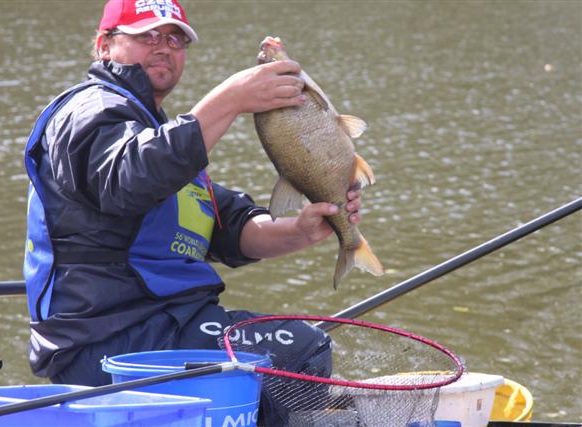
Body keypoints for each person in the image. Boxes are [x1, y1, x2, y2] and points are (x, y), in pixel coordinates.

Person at [23, 0, 364, 423]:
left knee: (297, 350)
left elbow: (227, 224)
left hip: (171, 324)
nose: (163, 47)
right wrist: (231, 99)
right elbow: (130, 177)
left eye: (175, 39)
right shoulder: (88, 110)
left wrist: (301, 229)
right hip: (110, 340)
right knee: (302, 351)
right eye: (146, 35)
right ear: (104, 46)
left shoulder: (156, 134)